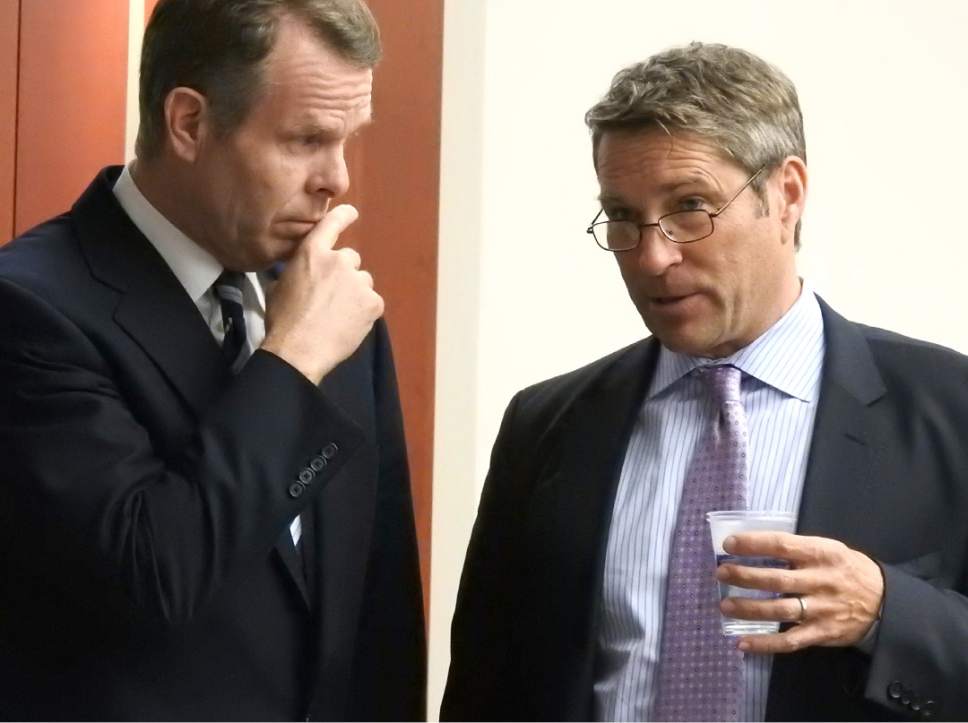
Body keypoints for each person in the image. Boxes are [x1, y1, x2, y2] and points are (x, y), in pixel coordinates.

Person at [442, 42, 968, 722]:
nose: (653, 256)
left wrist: (885, 611)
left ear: (787, 194)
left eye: (691, 206)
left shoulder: (949, 410)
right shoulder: (546, 426)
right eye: (624, 218)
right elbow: (486, 688)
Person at [0, 0, 425, 719]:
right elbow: (151, 575)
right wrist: (289, 363)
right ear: (190, 123)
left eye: (348, 141)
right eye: (305, 140)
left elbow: (378, 614)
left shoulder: (333, 308)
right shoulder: (30, 309)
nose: (338, 179)